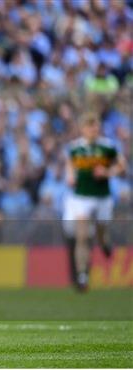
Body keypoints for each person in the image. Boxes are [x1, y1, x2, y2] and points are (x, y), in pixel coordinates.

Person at [63, 112, 127, 292]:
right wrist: (69, 176)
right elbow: (69, 165)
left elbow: (122, 166)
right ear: (83, 129)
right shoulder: (75, 148)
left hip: (102, 197)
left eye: (96, 126)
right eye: (90, 126)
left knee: (101, 234)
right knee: (81, 236)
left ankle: (106, 244)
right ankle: (82, 275)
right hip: (81, 197)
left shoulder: (108, 147)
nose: (93, 130)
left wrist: (107, 173)